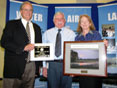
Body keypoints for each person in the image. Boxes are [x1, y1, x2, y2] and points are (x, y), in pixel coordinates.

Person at [1, 1, 42, 88]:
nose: (28, 12)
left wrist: (39, 67)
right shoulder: (11, 24)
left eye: (30, 10)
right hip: (14, 67)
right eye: (26, 10)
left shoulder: (37, 28)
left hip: (32, 67)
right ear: (21, 11)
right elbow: (4, 42)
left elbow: (39, 47)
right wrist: (23, 48)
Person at [42, 12, 76, 88]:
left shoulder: (71, 34)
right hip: (52, 65)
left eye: (62, 19)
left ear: (65, 21)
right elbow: (43, 52)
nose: (59, 20)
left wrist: (73, 67)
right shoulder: (47, 33)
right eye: (57, 19)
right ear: (54, 20)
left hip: (67, 65)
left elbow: (74, 52)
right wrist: (44, 67)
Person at [75, 14, 108, 88]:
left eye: (86, 21)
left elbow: (99, 52)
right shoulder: (77, 38)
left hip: (94, 70)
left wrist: (104, 45)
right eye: (82, 21)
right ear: (80, 24)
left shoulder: (96, 34)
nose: (84, 23)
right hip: (82, 70)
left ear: (90, 23)